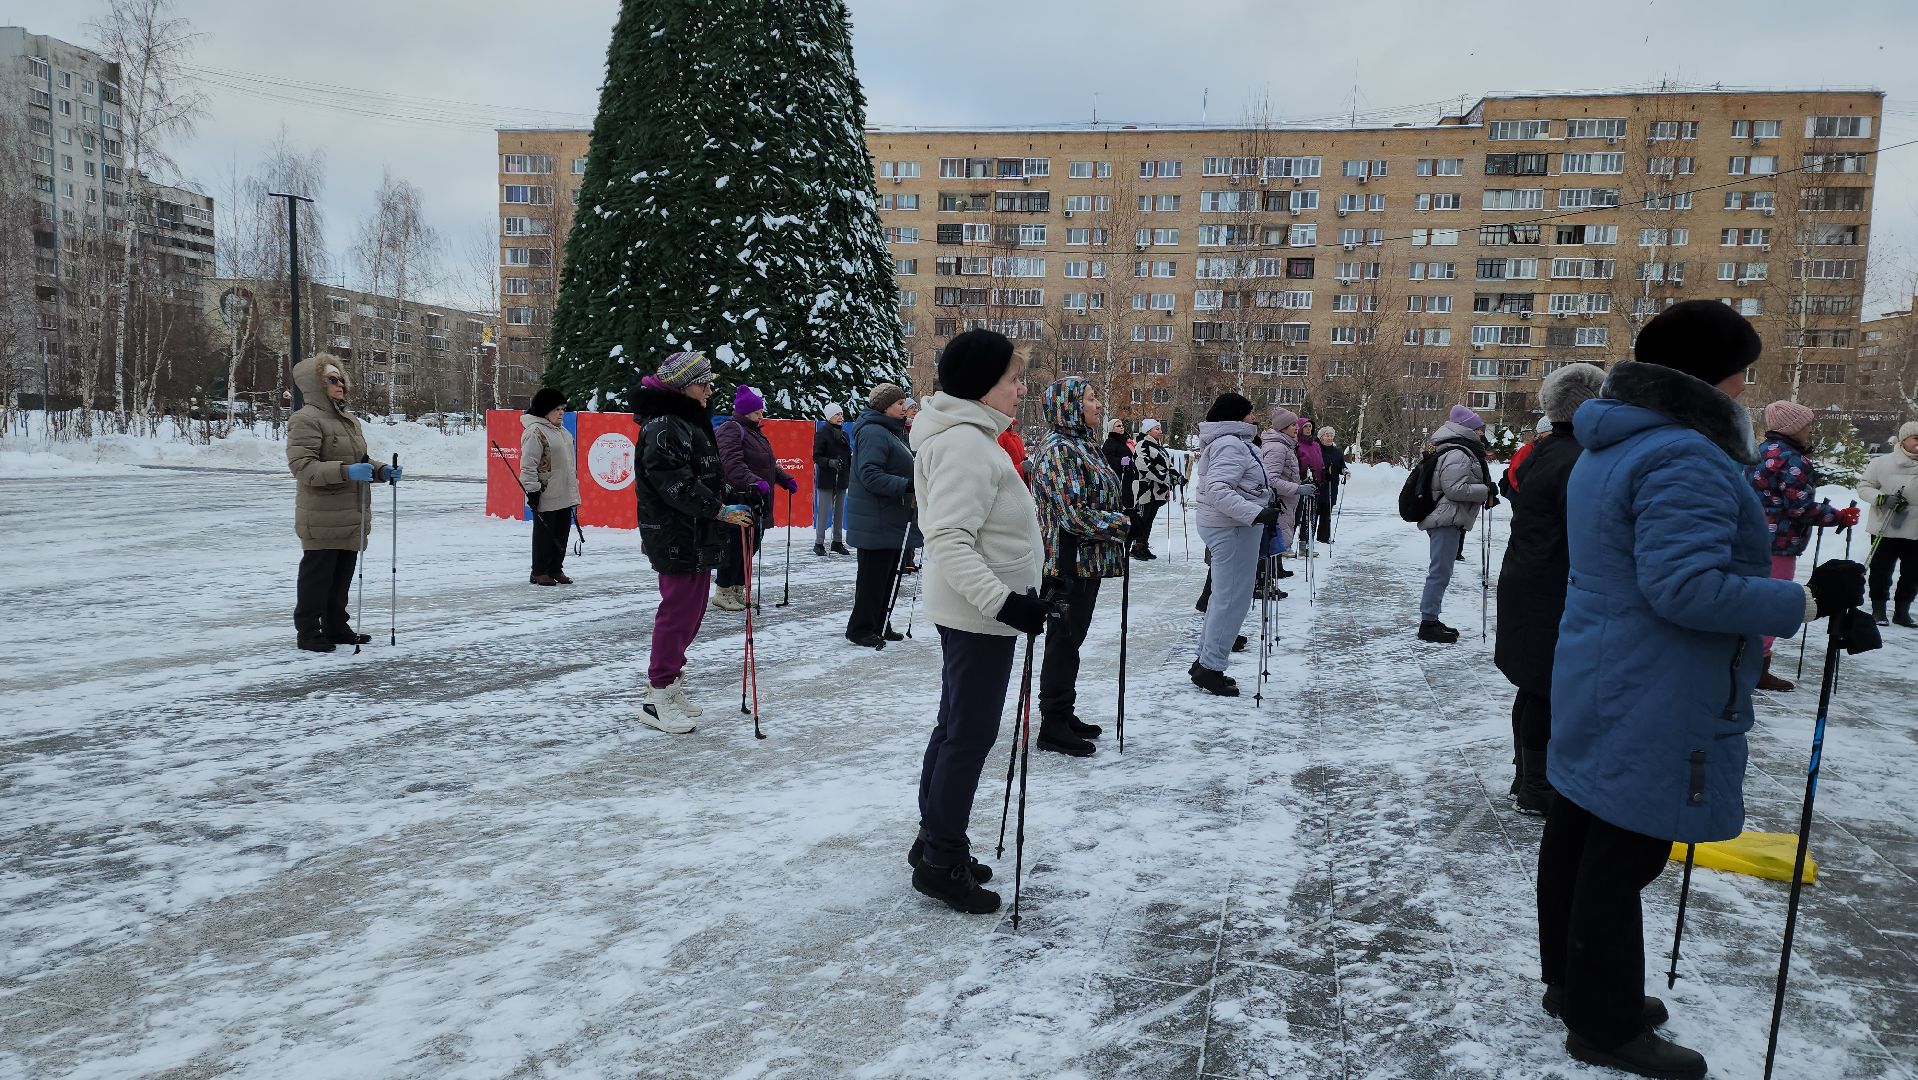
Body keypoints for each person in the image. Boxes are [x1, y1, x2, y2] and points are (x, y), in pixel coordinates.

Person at [1539, 301, 1868, 1080]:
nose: (1748, 384)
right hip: (1656, 679)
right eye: (1743, 369)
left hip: (1604, 664)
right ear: (1714, 374)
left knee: (1583, 825)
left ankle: (1578, 985)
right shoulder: (1681, 454)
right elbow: (1684, 588)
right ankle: (1603, 1022)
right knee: (1626, 847)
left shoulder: (1619, 439)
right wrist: (1806, 601)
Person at [908, 329, 1043, 915]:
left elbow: (993, 533)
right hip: (977, 615)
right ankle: (942, 860)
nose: (1021, 388)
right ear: (983, 385)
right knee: (968, 736)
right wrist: (1004, 603)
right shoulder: (965, 443)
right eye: (1014, 379)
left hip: (978, 611)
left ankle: (935, 841)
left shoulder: (975, 437)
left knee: (955, 729)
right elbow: (947, 539)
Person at [1493, 363, 1606, 818]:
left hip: (1530, 580)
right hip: (1552, 586)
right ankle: (1538, 785)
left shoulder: (1546, 450)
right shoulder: (1578, 459)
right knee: (1547, 688)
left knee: (1535, 685)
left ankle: (1528, 775)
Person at [631, 352, 755, 734]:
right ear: (682, 386)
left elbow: (705, 476)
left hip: (696, 533)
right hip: (675, 534)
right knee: (678, 613)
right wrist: (719, 510)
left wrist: (736, 495)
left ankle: (670, 684)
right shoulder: (664, 426)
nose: (709, 391)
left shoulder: (687, 422)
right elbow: (675, 484)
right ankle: (657, 694)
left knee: (693, 612)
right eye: (703, 384)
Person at [1030, 377, 1129, 758]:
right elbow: (1074, 515)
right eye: (1090, 398)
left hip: (1086, 561)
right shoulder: (1059, 449)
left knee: (1071, 642)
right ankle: (1052, 723)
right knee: (1063, 643)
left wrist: (1121, 513)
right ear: (1068, 406)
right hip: (1067, 562)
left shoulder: (1082, 444)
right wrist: (1124, 524)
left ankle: (1063, 712)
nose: (1098, 404)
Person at [286, 353, 403, 653]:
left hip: (351, 514)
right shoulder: (305, 419)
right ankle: (308, 632)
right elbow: (303, 467)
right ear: (316, 384)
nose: (340, 385)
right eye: (332, 379)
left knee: (341, 577)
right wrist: (345, 472)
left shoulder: (349, 421)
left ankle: (337, 627)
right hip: (322, 515)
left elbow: (360, 460)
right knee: (317, 577)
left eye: (341, 379)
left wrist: (380, 470)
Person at [1748, 400, 1859, 690]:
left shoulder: (1760, 451)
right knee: (1773, 603)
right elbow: (1799, 507)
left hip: (1751, 537)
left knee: (1752, 598)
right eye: (1807, 424)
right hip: (1780, 541)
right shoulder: (1793, 460)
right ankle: (1756, 667)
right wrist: (1838, 516)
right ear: (1792, 428)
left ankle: (1738, 659)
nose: (1810, 429)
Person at [1190, 393, 1277, 695]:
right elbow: (1217, 488)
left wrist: (1263, 500)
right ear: (1237, 416)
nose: (1254, 418)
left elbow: (1243, 483)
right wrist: (1256, 512)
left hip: (1232, 526)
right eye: (1250, 413)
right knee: (1231, 600)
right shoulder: (1231, 443)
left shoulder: (1232, 442)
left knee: (1223, 597)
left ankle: (1205, 660)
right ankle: (1211, 667)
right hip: (1233, 528)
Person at [845, 382, 921, 648]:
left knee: (888, 575)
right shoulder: (873, 432)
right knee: (873, 578)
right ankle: (861, 628)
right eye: (899, 403)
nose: (904, 407)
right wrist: (906, 485)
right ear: (884, 406)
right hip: (876, 518)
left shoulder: (891, 431)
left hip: (891, 516)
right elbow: (870, 475)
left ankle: (880, 622)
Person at [712, 385, 798, 612]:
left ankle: (738, 588)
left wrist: (784, 478)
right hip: (739, 501)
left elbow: (767, 465)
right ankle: (723, 591)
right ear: (745, 412)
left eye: (761, 412)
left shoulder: (755, 433)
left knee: (750, 548)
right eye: (757, 412)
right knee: (734, 547)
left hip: (757, 502)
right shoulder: (731, 430)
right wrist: (753, 480)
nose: (761, 416)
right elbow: (731, 464)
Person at [1416, 405, 1496, 644]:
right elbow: (1454, 489)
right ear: (1466, 429)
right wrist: (1485, 490)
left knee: (1442, 571)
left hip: (1448, 517)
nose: (1480, 433)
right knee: (1440, 572)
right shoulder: (1459, 453)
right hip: (1445, 518)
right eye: (1478, 428)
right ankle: (1428, 623)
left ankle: (1432, 618)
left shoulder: (1458, 449)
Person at [519, 388, 580, 587]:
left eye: (562, 409)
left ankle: (555, 568)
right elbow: (528, 464)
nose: (561, 413)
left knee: (562, 532)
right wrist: (532, 490)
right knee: (545, 534)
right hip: (545, 492)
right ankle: (539, 571)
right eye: (556, 409)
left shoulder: (562, 431)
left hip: (564, 491)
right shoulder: (535, 432)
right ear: (545, 410)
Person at [1860, 420, 1918, 627]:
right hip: (1885, 526)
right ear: (1904, 440)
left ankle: (1902, 612)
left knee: (1913, 573)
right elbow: (1864, 486)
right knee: (1881, 571)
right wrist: (1882, 498)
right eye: (1916, 438)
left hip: (1916, 530)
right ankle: (1879, 610)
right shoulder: (1881, 463)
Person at [1258, 407, 1311, 586]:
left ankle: (1271, 577)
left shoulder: (1285, 445)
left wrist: (1300, 484)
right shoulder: (1278, 448)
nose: (1297, 428)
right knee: (1273, 541)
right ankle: (1265, 583)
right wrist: (1297, 489)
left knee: (1277, 541)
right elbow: (1271, 480)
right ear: (1282, 427)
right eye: (1293, 425)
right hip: (1278, 503)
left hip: (1285, 502)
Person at [1130, 419, 1176, 560]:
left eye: (1160, 428)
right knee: (1142, 519)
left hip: (1156, 490)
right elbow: (1143, 466)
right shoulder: (1142, 444)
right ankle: (1137, 547)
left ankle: (1144, 546)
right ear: (1148, 431)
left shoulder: (1159, 447)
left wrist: (1177, 477)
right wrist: (1163, 477)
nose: (1160, 431)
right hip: (1144, 489)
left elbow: (1168, 466)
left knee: (1149, 520)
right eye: (1156, 429)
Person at [812, 403, 852, 557]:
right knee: (823, 512)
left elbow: (847, 455)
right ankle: (819, 543)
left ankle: (837, 542)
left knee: (839, 512)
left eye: (841, 414)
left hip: (841, 478)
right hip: (827, 479)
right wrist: (830, 462)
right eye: (837, 414)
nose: (841, 417)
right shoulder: (822, 433)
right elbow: (817, 456)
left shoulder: (844, 435)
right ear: (829, 417)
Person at [1501, 415, 1555, 499]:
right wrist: (1525, 493)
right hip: (1525, 497)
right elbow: (1514, 472)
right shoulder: (1528, 449)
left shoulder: (1554, 450)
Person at [1295, 417, 1326, 553]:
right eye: (1305, 427)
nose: (1308, 429)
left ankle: (1306, 545)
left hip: (1315, 482)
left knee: (1311, 515)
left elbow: (1320, 461)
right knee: (1298, 515)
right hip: (1302, 482)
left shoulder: (1316, 445)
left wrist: (1323, 473)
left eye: (1310, 427)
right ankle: (1287, 545)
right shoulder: (1297, 444)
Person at [1315, 425, 1348, 546]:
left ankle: (1324, 537)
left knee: (1327, 512)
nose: (1329, 438)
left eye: (1331, 436)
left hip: (1332, 486)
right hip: (1319, 485)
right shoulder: (1316, 449)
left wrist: (1345, 471)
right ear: (1321, 437)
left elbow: (1342, 466)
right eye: (1327, 435)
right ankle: (1308, 537)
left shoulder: (1337, 452)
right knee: (1315, 512)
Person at [997, 418, 1030, 487]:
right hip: (1012, 489)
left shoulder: (1012, 432)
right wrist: (1021, 469)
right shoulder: (999, 435)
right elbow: (998, 472)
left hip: (1022, 485)